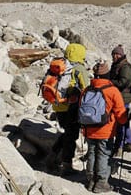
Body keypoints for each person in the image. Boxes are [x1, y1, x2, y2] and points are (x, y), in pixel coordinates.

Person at [82, 61, 128, 193]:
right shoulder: (112, 90)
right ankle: (101, 182)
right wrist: (125, 120)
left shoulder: (87, 89)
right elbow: (120, 113)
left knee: (91, 153)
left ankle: (91, 180)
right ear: (107, 74)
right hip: (105, 130)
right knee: (103, 154)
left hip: (89, 128)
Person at [50, 43, 90, 176]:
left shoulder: (59, 64)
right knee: (71, 136)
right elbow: (86, 88)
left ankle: (52, 155)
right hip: (71, 107)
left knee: (67, 133)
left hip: (58, 105)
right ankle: (66, 165)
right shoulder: (79, 68)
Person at [109, 44, 131, 153]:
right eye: (113, 54)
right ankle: (129, 141)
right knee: (123, 121)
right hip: (117, 96)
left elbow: (124, 82)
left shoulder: (125, 67)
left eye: (116, 54)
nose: (114, 56)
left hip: (123, 97)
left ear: (121, 55)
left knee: (121, 121)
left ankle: (120, 145)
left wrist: (110, 83)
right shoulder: (117, 64)